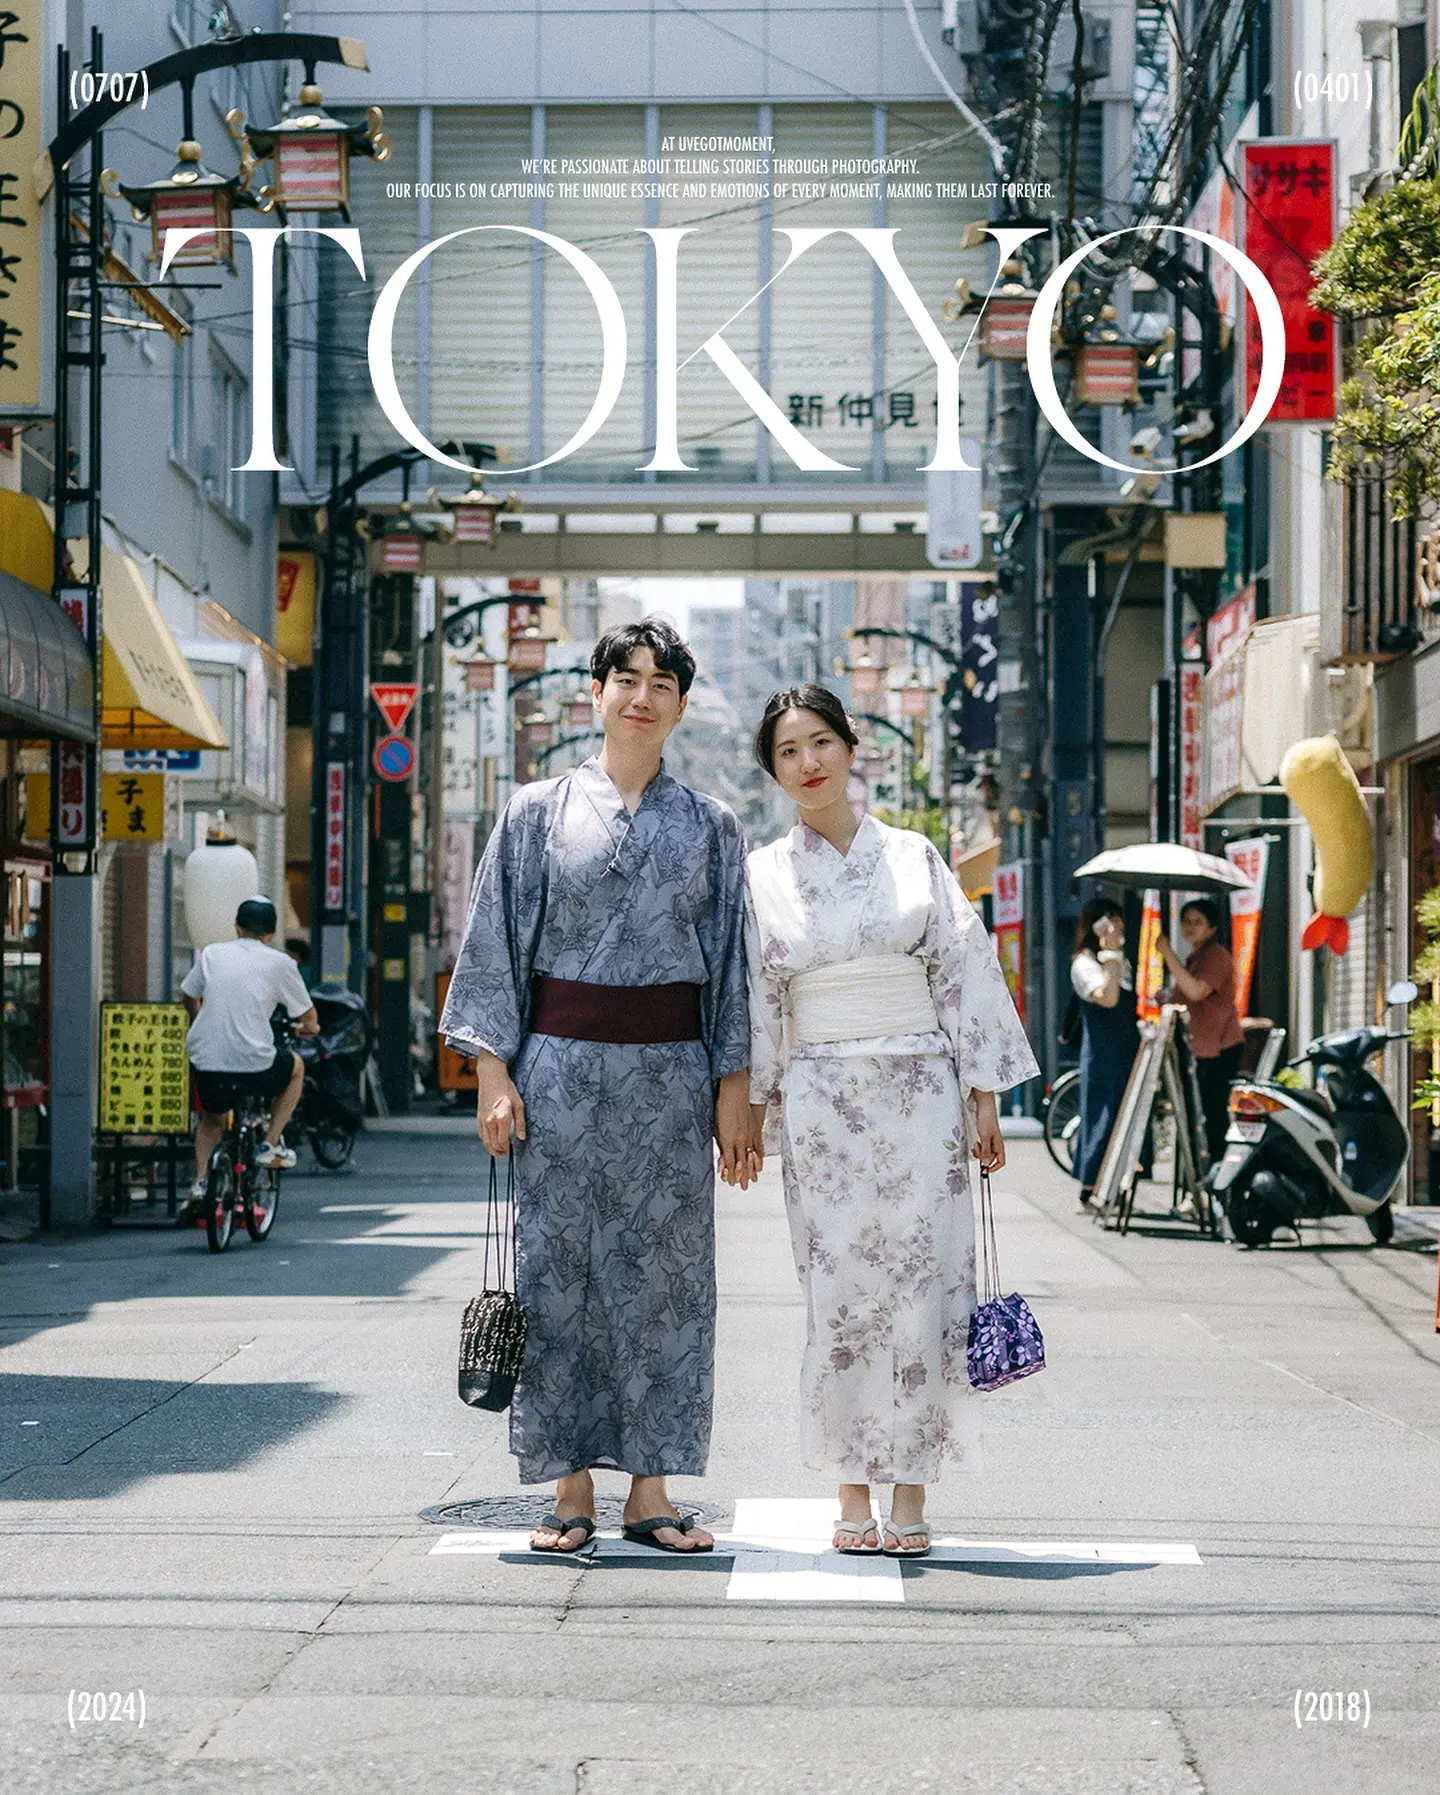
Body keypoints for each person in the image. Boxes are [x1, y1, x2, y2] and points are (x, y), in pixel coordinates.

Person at [440, 619, 757, 1556]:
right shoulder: (535, 811)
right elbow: (494, 941)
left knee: (668, 1281)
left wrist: (734, 1088)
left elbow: (733, 966)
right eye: (627, 678)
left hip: (670, 1078)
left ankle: (650, 1491)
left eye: (663, 682)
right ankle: (570, 1484)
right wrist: (494, 1072)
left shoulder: (713, 824)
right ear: (596, 693)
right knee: (560, 1275)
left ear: (682, 705)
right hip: (559, 1074)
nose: (643, 695)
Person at [744, 686, 1038, 1558]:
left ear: (851, 747)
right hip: (822, 1104)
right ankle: (850, 1487)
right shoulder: (762, 873)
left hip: (922, 1098)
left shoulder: (913, 856)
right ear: (774, 770)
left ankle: (910, 1489)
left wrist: (983, 1095)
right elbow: (758, 998)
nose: (810, 761)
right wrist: (751, 1109)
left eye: (822, 741)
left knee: (925, 1289)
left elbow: (964, 971)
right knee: (839, 1295)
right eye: (790, 750)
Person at [182, 896, 320, 1210]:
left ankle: (201, 1182)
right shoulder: (281, 963)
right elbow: (309, 1018)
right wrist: (307, 1028)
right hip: (256, 1064)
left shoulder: (212, 954)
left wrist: (198, 1017)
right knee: (295, 1067)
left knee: (211, 1120)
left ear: (236, 928)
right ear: (271, 935)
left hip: (207, 1059)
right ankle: (270, 1144)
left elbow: (189, 996)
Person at [1159, 897, 1244, 1164]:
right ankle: (1201, 1175)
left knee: (1211, 1116)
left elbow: (1196, 991)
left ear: (1212, 928)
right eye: (1186, 921)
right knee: (1197, 1114)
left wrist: (1168, 954)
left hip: (1219, 1047)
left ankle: (1215, 1177)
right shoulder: (1195, 958)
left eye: (1198, 922)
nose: (1190, 927)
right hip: (1200, 1046)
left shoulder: (1217, 956)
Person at [1070, 899, 1142, 1209]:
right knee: (1103, 1114)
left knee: (1126, 1114)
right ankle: (1091, 1188)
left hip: (1126, 1048)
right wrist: (1110, 952)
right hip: (1102, 1051)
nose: (1119, 927)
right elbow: (1108, 998)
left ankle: (1117, 1188)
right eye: (1112, 920)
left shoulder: (1117, 960)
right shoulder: (1084, 964)